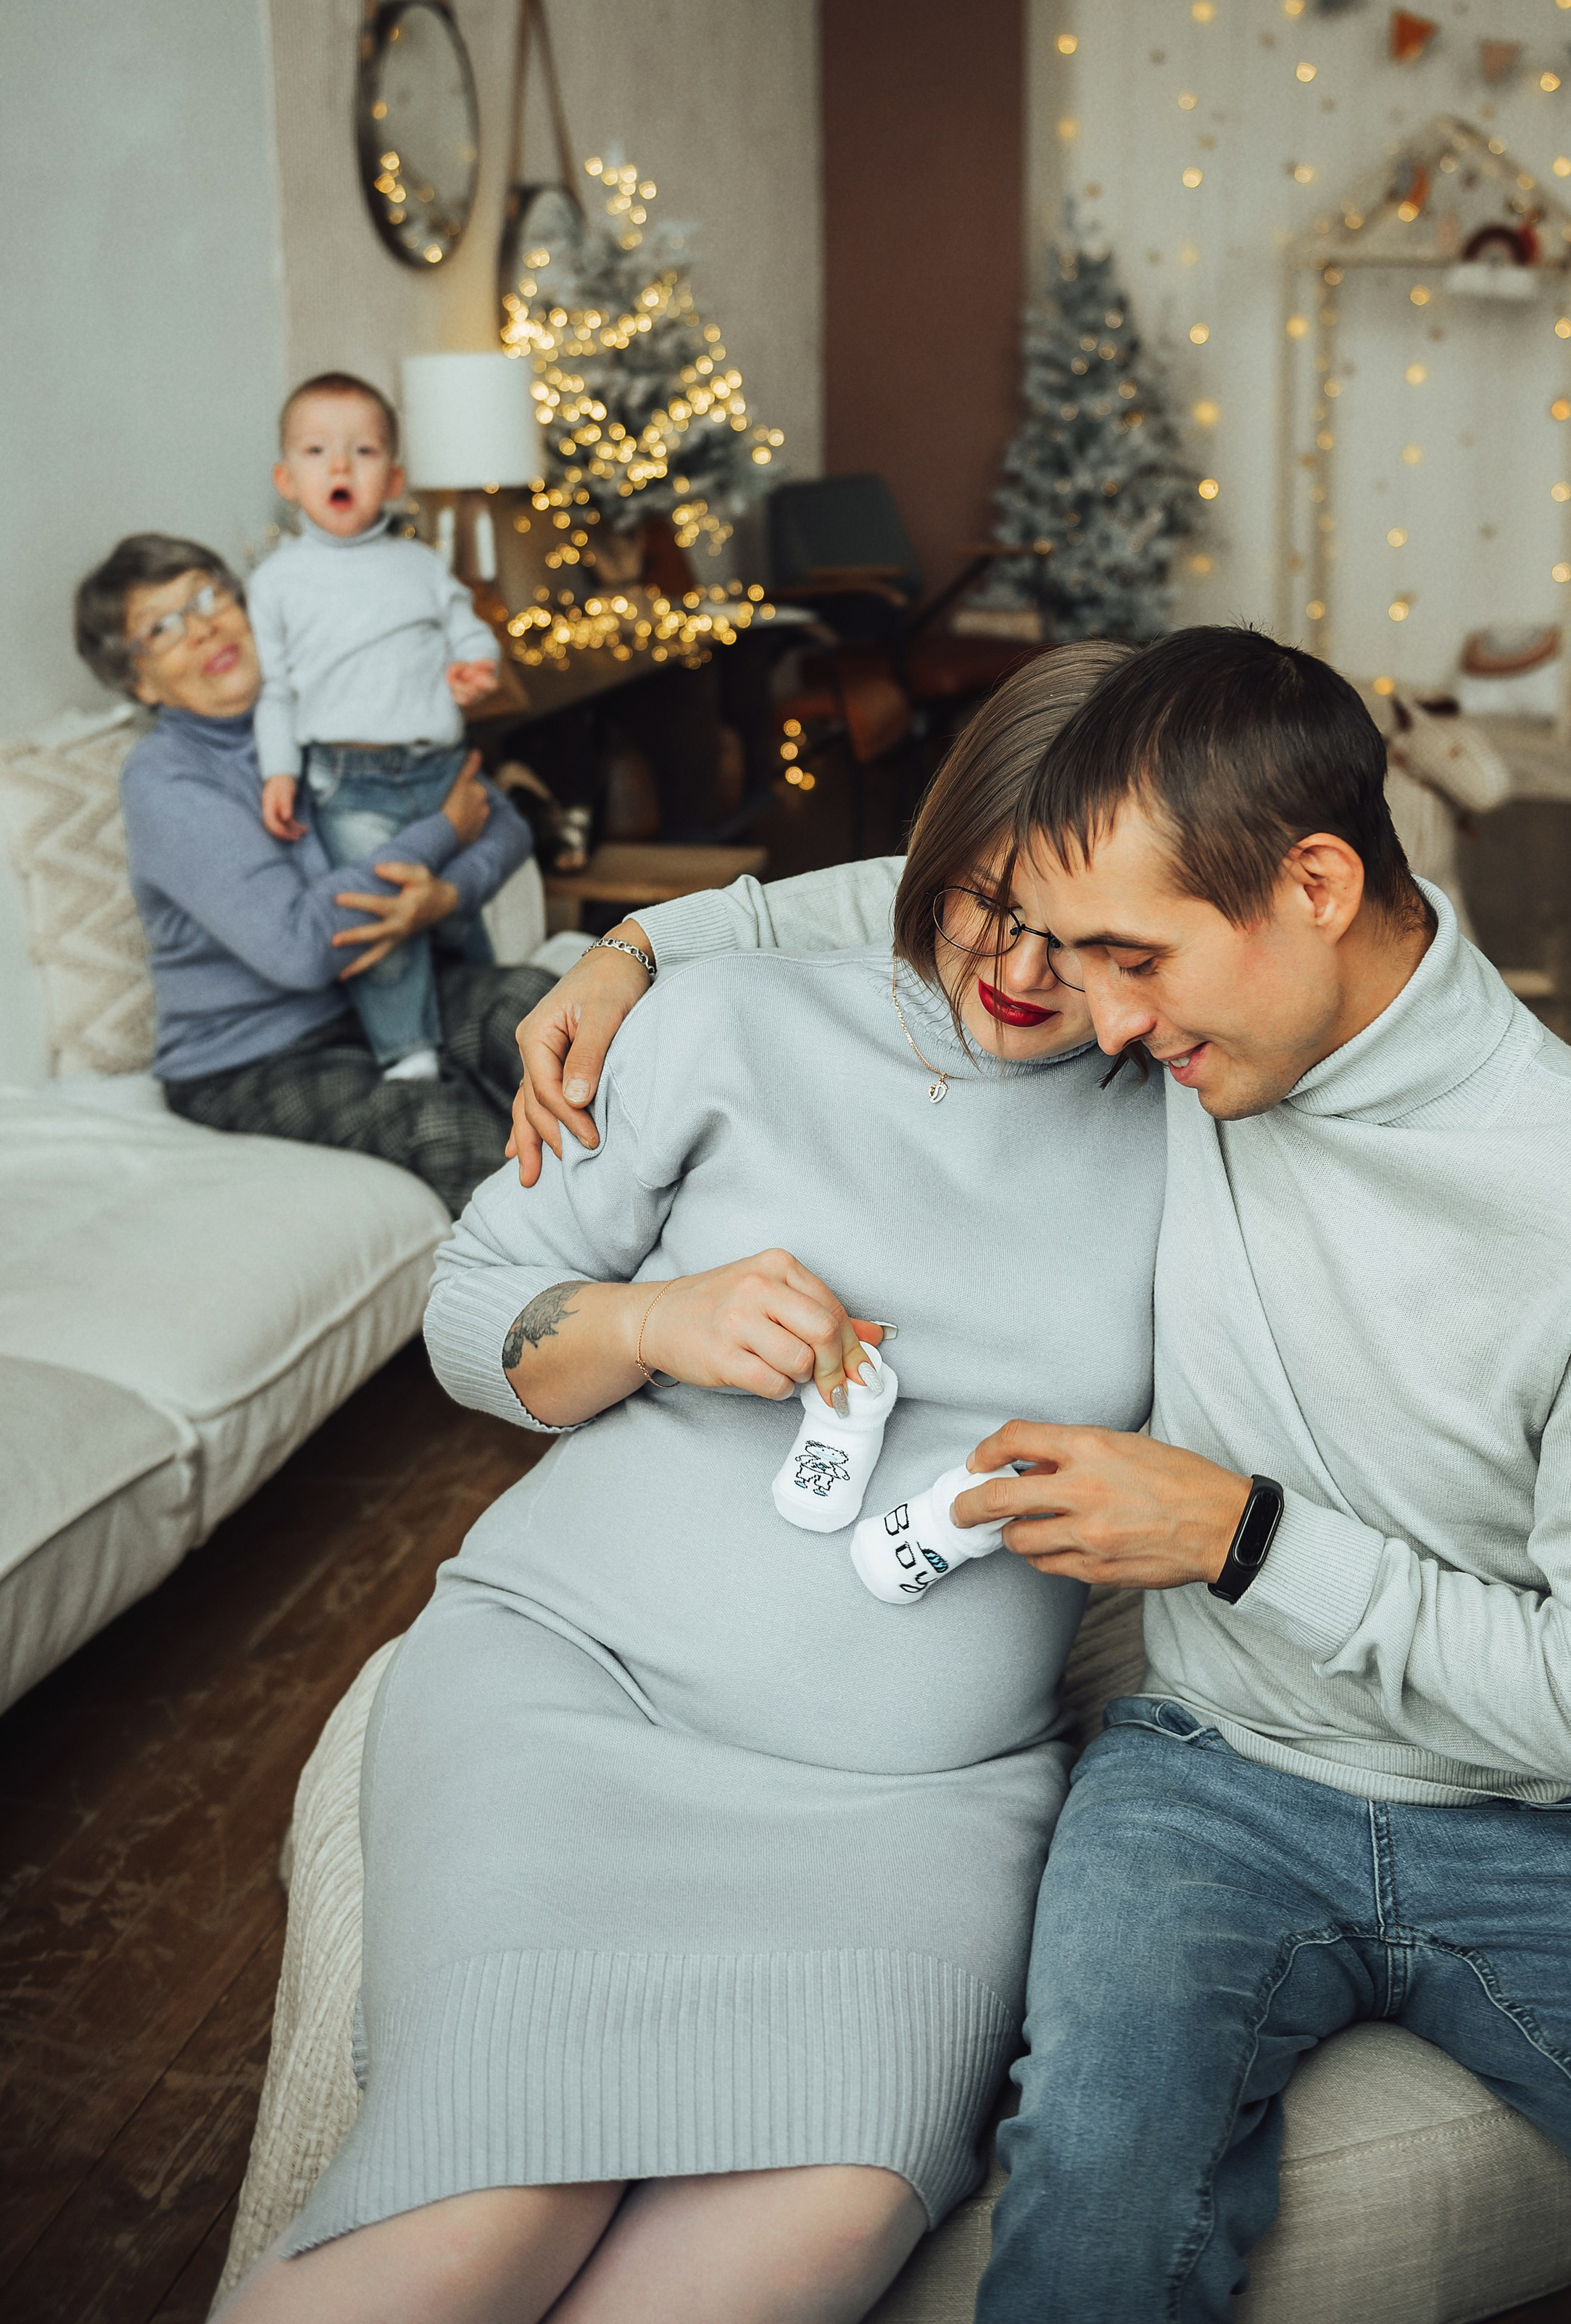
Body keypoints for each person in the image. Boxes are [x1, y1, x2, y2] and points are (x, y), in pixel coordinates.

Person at [508, 626, 1571, 2321]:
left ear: (1310, 882)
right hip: (1207, 1776)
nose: (1098, 1019)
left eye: (1132, 959)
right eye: (1081, 956)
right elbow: (926, 897)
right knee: (1088, 2221)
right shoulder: (1182, 1026)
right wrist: (632, 942)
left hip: (1549, 1821)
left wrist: (1240, 1535)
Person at [223, 642, 1166, 2324]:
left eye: (1084, 937)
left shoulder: (1194, 1119)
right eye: (982, 905)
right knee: (485, 2206)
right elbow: (470, 1312)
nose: (1020, 969)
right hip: (579, 1690)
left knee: (805, 2229)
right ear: (927, 856)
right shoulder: (725, 1019)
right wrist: (655, 1319)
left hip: (912, 1806)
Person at [75, 531, 542, 1217]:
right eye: (163, 627)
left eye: (209, 596)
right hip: (250, 1058)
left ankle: (691, 1231)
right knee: (444, 1124)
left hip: (378, 997)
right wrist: (438, 833)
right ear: (139, 681)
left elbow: (499, 820)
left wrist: (445, 896)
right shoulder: (166, 778)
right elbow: (297, 944)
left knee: (548, 1017)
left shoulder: (328, 703)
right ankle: (599, 1315)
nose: (205, 627)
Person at [250, 370, 505, 1083]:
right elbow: (274, 692)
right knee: (381, 912)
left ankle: (485, 1019)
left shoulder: (420, 566)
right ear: (286, 478)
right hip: (346, 781)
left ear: (392, 479)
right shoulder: (277, 581)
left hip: (435, 769)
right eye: (316, 451)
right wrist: (278, 770)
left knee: (456, 911)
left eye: (362, 452)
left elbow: (470, 634)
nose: (339, 465)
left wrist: (474, 668)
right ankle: (409, 1054)